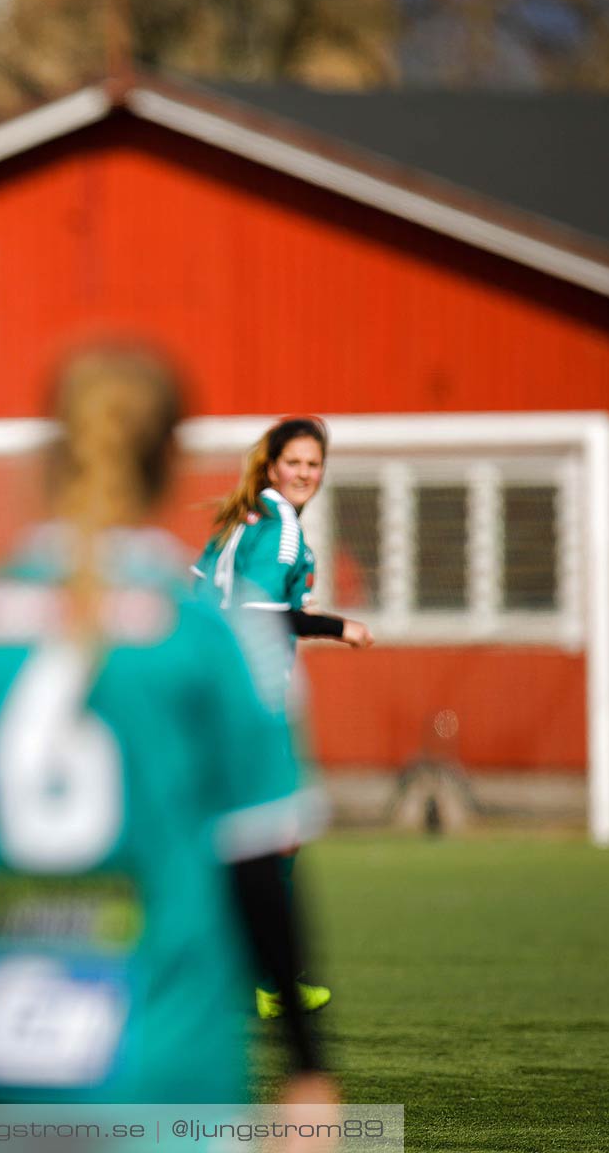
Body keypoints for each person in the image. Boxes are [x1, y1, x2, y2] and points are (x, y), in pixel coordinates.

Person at [0, 347, 336, 1122]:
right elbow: (258, 871)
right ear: (171, 457)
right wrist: (308, 1070)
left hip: (5, 1061)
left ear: (53, 449)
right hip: (164, 1051)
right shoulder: (202, 638)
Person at [192, 415, 373, 1019]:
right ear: (272, 465)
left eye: (313, 465)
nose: (304, 474)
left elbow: (201, 603)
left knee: (231, 836)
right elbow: (263, 617)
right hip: (250, 699)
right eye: (294, 462)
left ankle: (243, 971)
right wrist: (336, 625)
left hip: (206, 694)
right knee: (268, 834)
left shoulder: (235, 527)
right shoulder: (281, 532)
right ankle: (267, 976)